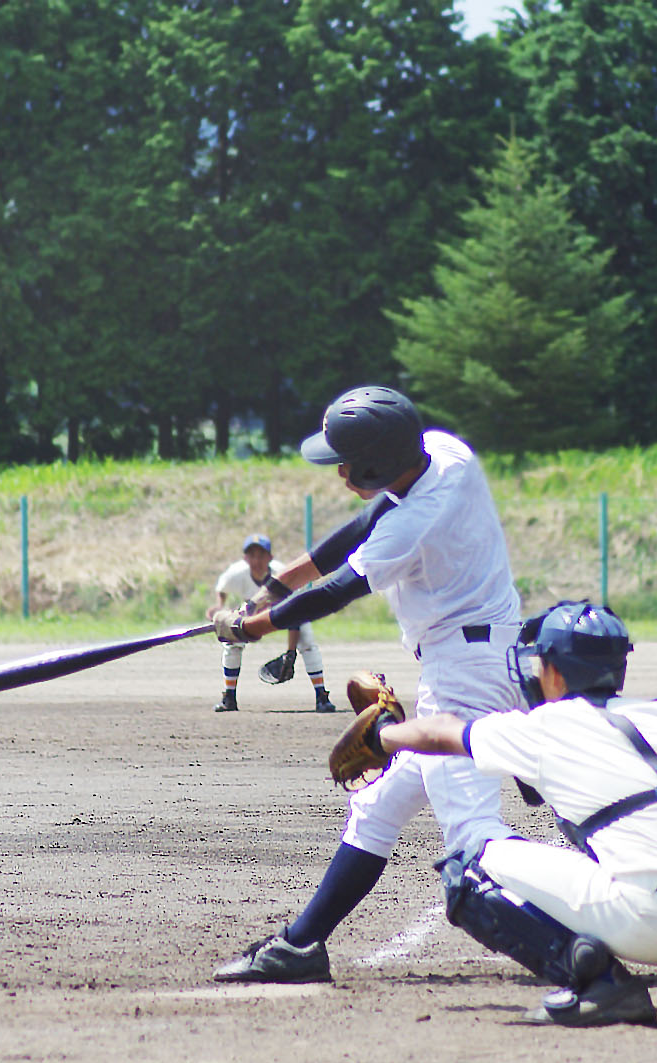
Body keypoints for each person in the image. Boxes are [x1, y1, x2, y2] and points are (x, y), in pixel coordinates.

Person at [369, 601, 657, 1026]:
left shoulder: (544, 727)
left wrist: (384, 735)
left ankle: (601, 983)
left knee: (467, 869)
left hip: (655, 923)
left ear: (556, 673)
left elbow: (441, 731)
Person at [210, 385, 524, 984]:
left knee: (474, 842)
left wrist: (250, 627)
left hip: (466, 680)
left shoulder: (416, 527)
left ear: (376, 464)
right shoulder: (442, 453)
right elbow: (362, 525)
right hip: (479, 657)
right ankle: (301, 946)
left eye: (346, 462)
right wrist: (275, 589)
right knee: (378, 804)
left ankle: (585, 945)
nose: (340, 471)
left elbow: (339, 590)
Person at [207, 533, 336, 714]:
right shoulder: (236, 573)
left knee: (307, 641)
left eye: (261, 555)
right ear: (245, 558)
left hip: (284, 612)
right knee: (232, 642)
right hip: (252, 612)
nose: (256, 560)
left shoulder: (282, 574)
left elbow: (295, 614)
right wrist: (219, 607)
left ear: (270, 557)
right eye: (252, 555)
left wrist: (290, 653)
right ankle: (229, 697)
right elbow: (222, 588)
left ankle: (321, 696)